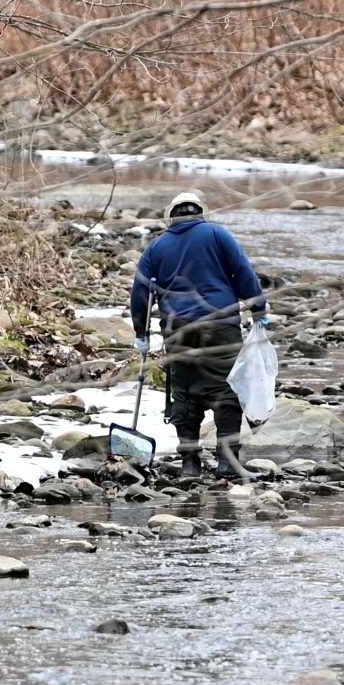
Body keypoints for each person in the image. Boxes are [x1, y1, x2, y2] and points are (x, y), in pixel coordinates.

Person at [130, 190, 269, 480]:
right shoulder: (218, 235)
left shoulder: (156, 247)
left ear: (172, 217)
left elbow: (140, 291)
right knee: (225, 391)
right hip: (220, 323)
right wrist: (257, 308)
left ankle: (190, 463)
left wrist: (140, 333)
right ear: (200, 213)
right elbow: (242, 271)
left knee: (183, 390)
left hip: (177, 328)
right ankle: (228, 463)